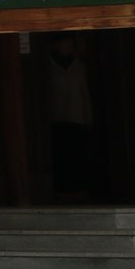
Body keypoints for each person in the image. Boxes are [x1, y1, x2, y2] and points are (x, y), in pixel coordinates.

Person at [45, 35, 97, 201]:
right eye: (65, 43)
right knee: (60, 154)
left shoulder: (78, 67)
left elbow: (84, 94)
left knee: (77, 153)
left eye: (71, 44)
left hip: (77, 117)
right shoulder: (49, 67)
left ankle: (78, 189)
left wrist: (88, 117)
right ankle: (61, 190)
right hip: (58, 117)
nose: (68, 46)